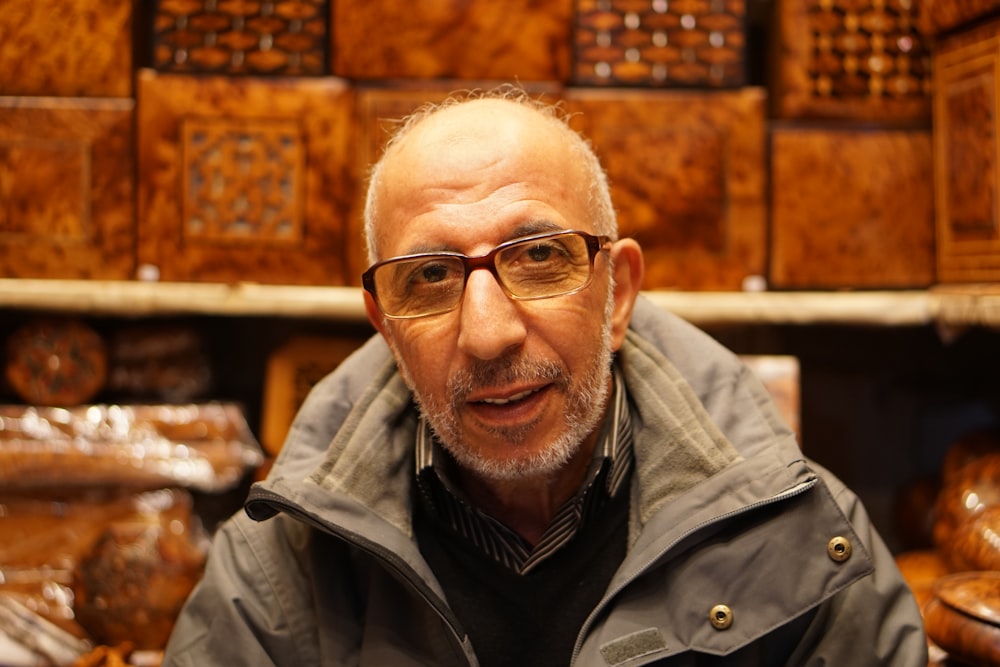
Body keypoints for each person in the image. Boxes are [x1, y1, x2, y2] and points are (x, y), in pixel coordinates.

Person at [162, 86, 927, 666]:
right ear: (384, 324)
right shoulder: (277, 573)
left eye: (538, 258)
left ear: (617, 294)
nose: (488, 333)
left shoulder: (801, 541)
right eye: (428, 275)